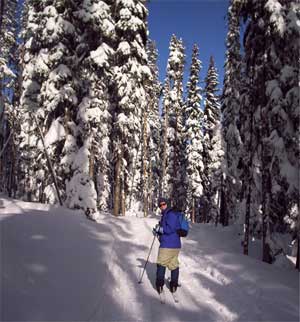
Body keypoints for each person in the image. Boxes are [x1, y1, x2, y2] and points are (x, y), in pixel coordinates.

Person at [153, 197, 181, 294]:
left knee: (161, 264)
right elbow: (166, 228)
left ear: (167, 204)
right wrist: (158, 230)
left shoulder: (170, 214)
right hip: (175, 245)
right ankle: (173, 286)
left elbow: (169, 229)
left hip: (167, 245)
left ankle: (159, 285)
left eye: (164, 204)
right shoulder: (166, 214)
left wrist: (160, 230)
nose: (162, 206)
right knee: (173, 264)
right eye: (160, 205)